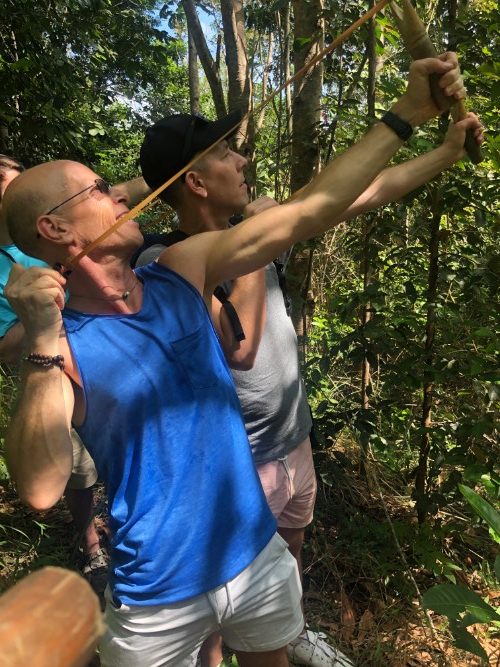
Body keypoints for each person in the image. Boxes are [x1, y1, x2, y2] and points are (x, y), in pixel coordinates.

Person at [2, 55, 478, 667]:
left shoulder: (182, 270)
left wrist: (409, 114)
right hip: (156, 599)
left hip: (253, 554)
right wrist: (41, 335)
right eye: (97, 189)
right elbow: (41, 489)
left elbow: (315, 208)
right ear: (56, 229)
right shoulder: (61, 343)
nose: (118, 193)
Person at [136, 85, 483, 667]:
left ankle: (289, 631)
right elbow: (237, 350)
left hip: (291, 438)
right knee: (226, 596)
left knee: (289, 547)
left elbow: (360, 194)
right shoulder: (163, 264)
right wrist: (255, 244)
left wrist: (445, 152)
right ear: (195, 183)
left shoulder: (253, 226)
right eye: (225, 154)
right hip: (238, 460)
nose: (243, 161)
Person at [0, 154, 150, 597]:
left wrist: (183, 163)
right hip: (48, 366)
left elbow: (122, 193)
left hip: (100, 352)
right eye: (5, 183)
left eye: (16, 177)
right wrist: (41, 323)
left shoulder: (72, 213)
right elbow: (4, 347)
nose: (13, 185)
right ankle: (90, 540)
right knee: (78, 470)